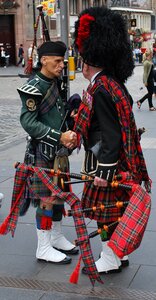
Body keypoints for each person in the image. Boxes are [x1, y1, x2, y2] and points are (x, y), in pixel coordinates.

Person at [73, 6, 151, 274]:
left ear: (87, 58)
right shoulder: (111, 82)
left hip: (106, 161)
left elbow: (110, 133)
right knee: (114, 210)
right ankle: (117, 254)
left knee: (105, 211)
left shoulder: (102, 87)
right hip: (115, 159)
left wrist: (104, 172)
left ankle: (109, 258)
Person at [17, 41, 79, 265]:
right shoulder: (34, 86)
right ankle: (43, 247)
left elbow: (57, 113)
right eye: (58, 61)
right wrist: (58, 136)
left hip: (58, 153)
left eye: (62, 61)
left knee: (59, 195)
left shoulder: (54, 82)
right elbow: (28, 122)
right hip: (42, 150)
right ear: (43, 60)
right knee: (46, 199)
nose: (62, 65)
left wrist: (69, 123)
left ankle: (56, 236)